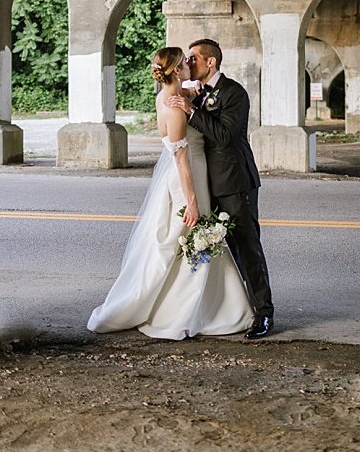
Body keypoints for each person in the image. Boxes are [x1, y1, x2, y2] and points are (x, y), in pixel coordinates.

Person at [87, 46, 254, 339]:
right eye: (185, 62)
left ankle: (213, 304)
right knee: (190, 237)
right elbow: (181, 158)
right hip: (186, 177)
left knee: (189, 241)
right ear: (176, 70)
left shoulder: (172, 96)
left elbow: (192, 94)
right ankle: (187, 310)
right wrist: (191, 201)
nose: (190, 65)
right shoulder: (175, 107)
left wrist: (194, 93)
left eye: (193, 59)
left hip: (196, 173)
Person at [167, 38, 275, 339]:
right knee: (221, 254)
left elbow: (226, 136)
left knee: (247, 248)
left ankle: (264, 314)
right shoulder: (197, 92)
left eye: (193, 58)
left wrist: (191, 111)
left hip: (234, 182)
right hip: (208, 185)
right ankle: (233, 310)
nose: (188, 64)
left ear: (210, 62)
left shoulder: (234, 92)